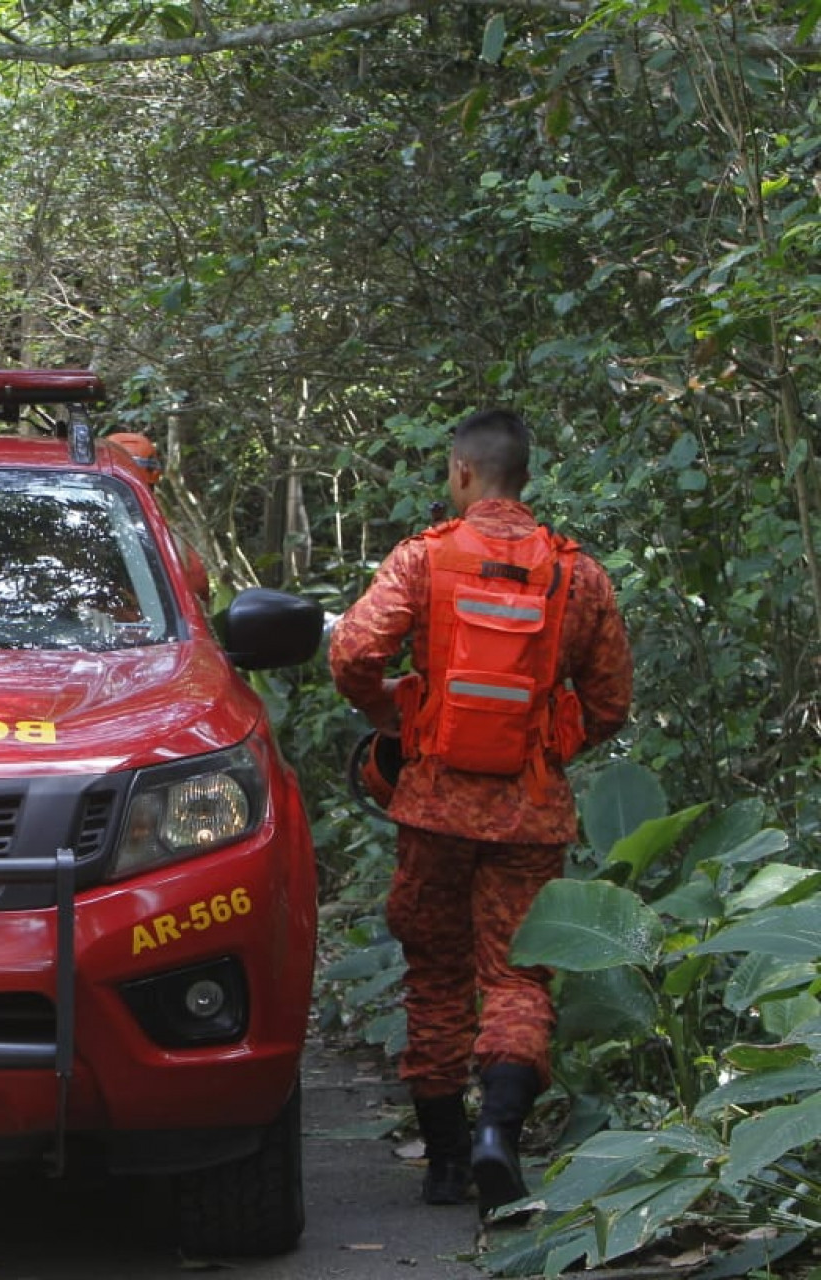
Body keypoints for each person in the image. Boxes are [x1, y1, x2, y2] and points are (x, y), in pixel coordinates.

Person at [328, 408, 632, 1218]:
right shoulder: (580, 577)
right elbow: (610, 703)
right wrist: (546, 742)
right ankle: (500, 1136)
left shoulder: (422, 560)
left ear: (462, 473)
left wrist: (394, 714)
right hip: (529, 814)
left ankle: (444, 1164)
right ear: (522, 476)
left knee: (435, 976)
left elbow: (354, 652)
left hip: (432, 805)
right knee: (517, 976)